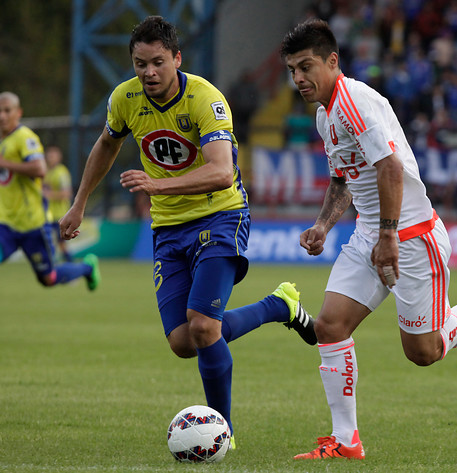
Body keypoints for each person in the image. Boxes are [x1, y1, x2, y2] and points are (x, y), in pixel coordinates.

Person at [59, 16, 317, 447]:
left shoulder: (205, 99)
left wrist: (156, 184)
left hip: (220, 216)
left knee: (202, 326)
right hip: (168, 227)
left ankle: (223, 433)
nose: (149, 73)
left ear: (177, 58)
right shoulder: (124, 99)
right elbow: (107, 144)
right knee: (183, 340)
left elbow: (221, 172)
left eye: (158, 62)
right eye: (140, 64)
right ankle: (278, 306)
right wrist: (79, 202)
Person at [280, 19, 457, 460]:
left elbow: (389, 166)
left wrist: (389, 235)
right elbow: (343, 180)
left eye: (306, 66)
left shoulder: (353, 101)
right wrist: (323, 225)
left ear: (332, 61)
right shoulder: (324, 115)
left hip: (410, 237)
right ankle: (346, 441)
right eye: (292, 69)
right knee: (329, 326)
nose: (298, 77)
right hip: (369, 235)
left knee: (424, 352)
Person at [0, 91, 100, 289]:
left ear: (18, 113)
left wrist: (5, 163)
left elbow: (39, 169)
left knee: (49, 278)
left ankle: (87, 268)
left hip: (33, 223)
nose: (2, 116)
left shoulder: (24, 137)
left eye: (7, 110)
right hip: (6, 223)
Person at [43, 145, 73, 262]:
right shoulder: (45, 171)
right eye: (49, 155)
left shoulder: (61, 173)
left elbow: (67, 193)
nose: (50, 158)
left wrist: (49, 194)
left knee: (62, 244)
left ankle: (71, 265)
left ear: (59, 157)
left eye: (53, 155)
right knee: (48, 242)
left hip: (60, 215)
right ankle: (52, 266)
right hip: (47, 215)